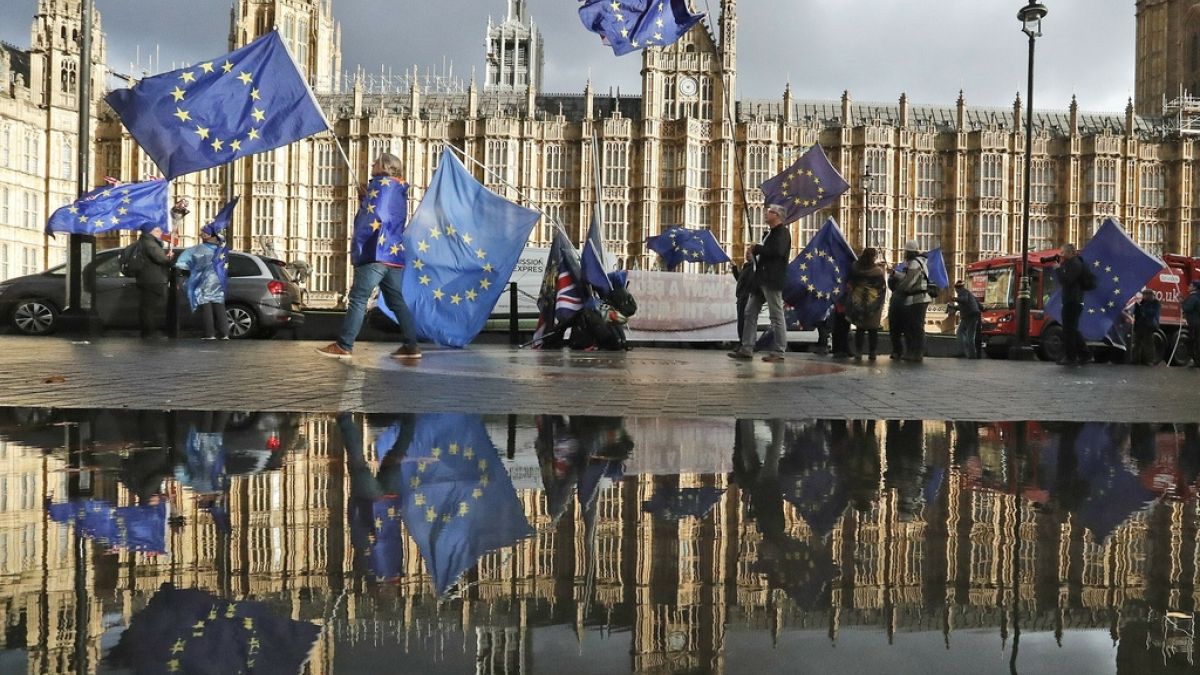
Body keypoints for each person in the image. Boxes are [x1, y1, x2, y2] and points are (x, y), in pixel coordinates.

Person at [317, 153, 421, 360]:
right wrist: (366, 198)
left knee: (358, 299)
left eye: (375, 162)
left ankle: (344, 345)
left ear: (384, 166)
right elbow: (386, 213)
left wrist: (360, 243)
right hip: (394, 254)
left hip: (376, 252)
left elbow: (373, 218)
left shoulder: (380, 184)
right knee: (396, 302)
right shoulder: (399, 188)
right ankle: (411, 346)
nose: (371, 164)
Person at [729, 203, 791, 363]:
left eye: (769, 212)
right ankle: (747, 348)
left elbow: (777, 252)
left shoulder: (783, 233)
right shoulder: (770, 234)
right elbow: (766, 256)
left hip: (771, 280)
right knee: (749, 313)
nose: (765, 213)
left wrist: (758, 248)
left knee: (776, 316)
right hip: (760, 280)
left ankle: (779, 351)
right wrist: (753, 257)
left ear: (777, 216)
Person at [174, 223, 229, 340]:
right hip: (219, 280)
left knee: (206, 306)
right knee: (219, 304)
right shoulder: (221, 249)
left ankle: (210, 334)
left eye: (204, 232)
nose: (201, 234)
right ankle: (225, 333)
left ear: (209, 235)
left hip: (205, 280)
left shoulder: (199, 249)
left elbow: (184, 263)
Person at [846, 246, 886, 361]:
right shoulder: (877, 272)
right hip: (872, 302)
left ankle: (858, 352)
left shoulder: (855, 268)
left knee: (860, 329)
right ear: (873, 257)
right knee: (873, 330)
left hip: (858, 301)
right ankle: (872, 352)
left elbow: (851, 282)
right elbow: (882, 287)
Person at [895, 240, 931, 362]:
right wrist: (896, 274)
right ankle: (913, 352)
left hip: (917, 299)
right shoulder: (919, 262)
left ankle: (916, 353)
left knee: (915, 327)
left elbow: (909, 281)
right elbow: (910, 277)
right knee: (912, 326)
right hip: (916, 299)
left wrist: (899, 289)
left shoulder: (915, 263)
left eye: (906, 251)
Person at [1053, 243, 1087, 366]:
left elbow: (1066, 280)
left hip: (1073, 301)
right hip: (1070, 300)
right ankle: (1084, 354)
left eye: (1062, 252)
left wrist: (1058, 269)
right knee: (1071, 330)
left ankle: (1072, 357)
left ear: (1069, 253)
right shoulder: (1071, 263)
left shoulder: (1075, 264)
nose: (1061, 255)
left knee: (1069, 330)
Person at [949, 279, 981, 359]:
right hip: (969, 315)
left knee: (969, 336)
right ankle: (964, 352)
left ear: (957, 288)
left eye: (956, 290)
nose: (956, 292)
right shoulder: (966, 293)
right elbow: (963, 305)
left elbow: (964, 300)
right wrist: (953, 307)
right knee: (961, 333)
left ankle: (970, 354)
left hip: (970, 316)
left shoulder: (963, 292)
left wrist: (954, 299)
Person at [1131, 288, 1161, 365]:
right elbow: (1136, 313)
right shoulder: (1141, 303)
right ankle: (1135, 360)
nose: (1143, 296)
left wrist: (1143, 308)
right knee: (1136, 343)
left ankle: (1150, 360)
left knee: (1148, 344)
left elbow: (1154, 313)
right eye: (1143, 295)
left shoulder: (1155, 303)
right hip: (1139, 325)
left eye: (1145, 295)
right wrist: (1137, 307)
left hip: (1148, 325)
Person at [732, 257, 756, 343]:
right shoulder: (746, 267)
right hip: (741, 296)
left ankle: (744, 342)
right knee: (741, 321)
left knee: (743, 321)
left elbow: (749, 283)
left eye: (749, 252)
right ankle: (741, 341)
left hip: (745, 297)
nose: (746, 254)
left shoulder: (753, 268)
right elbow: (739, 279)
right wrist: (734, 268)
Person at [1184, 280, 1200, 367]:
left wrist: (1181, 302)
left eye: (1190, 285)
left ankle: (1196, 361)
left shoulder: (1193, 297)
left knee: (1193, 342)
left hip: (1194, 323)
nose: (1189, 286)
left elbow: (1187, 308)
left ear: (1194, 287)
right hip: (1197, 322)